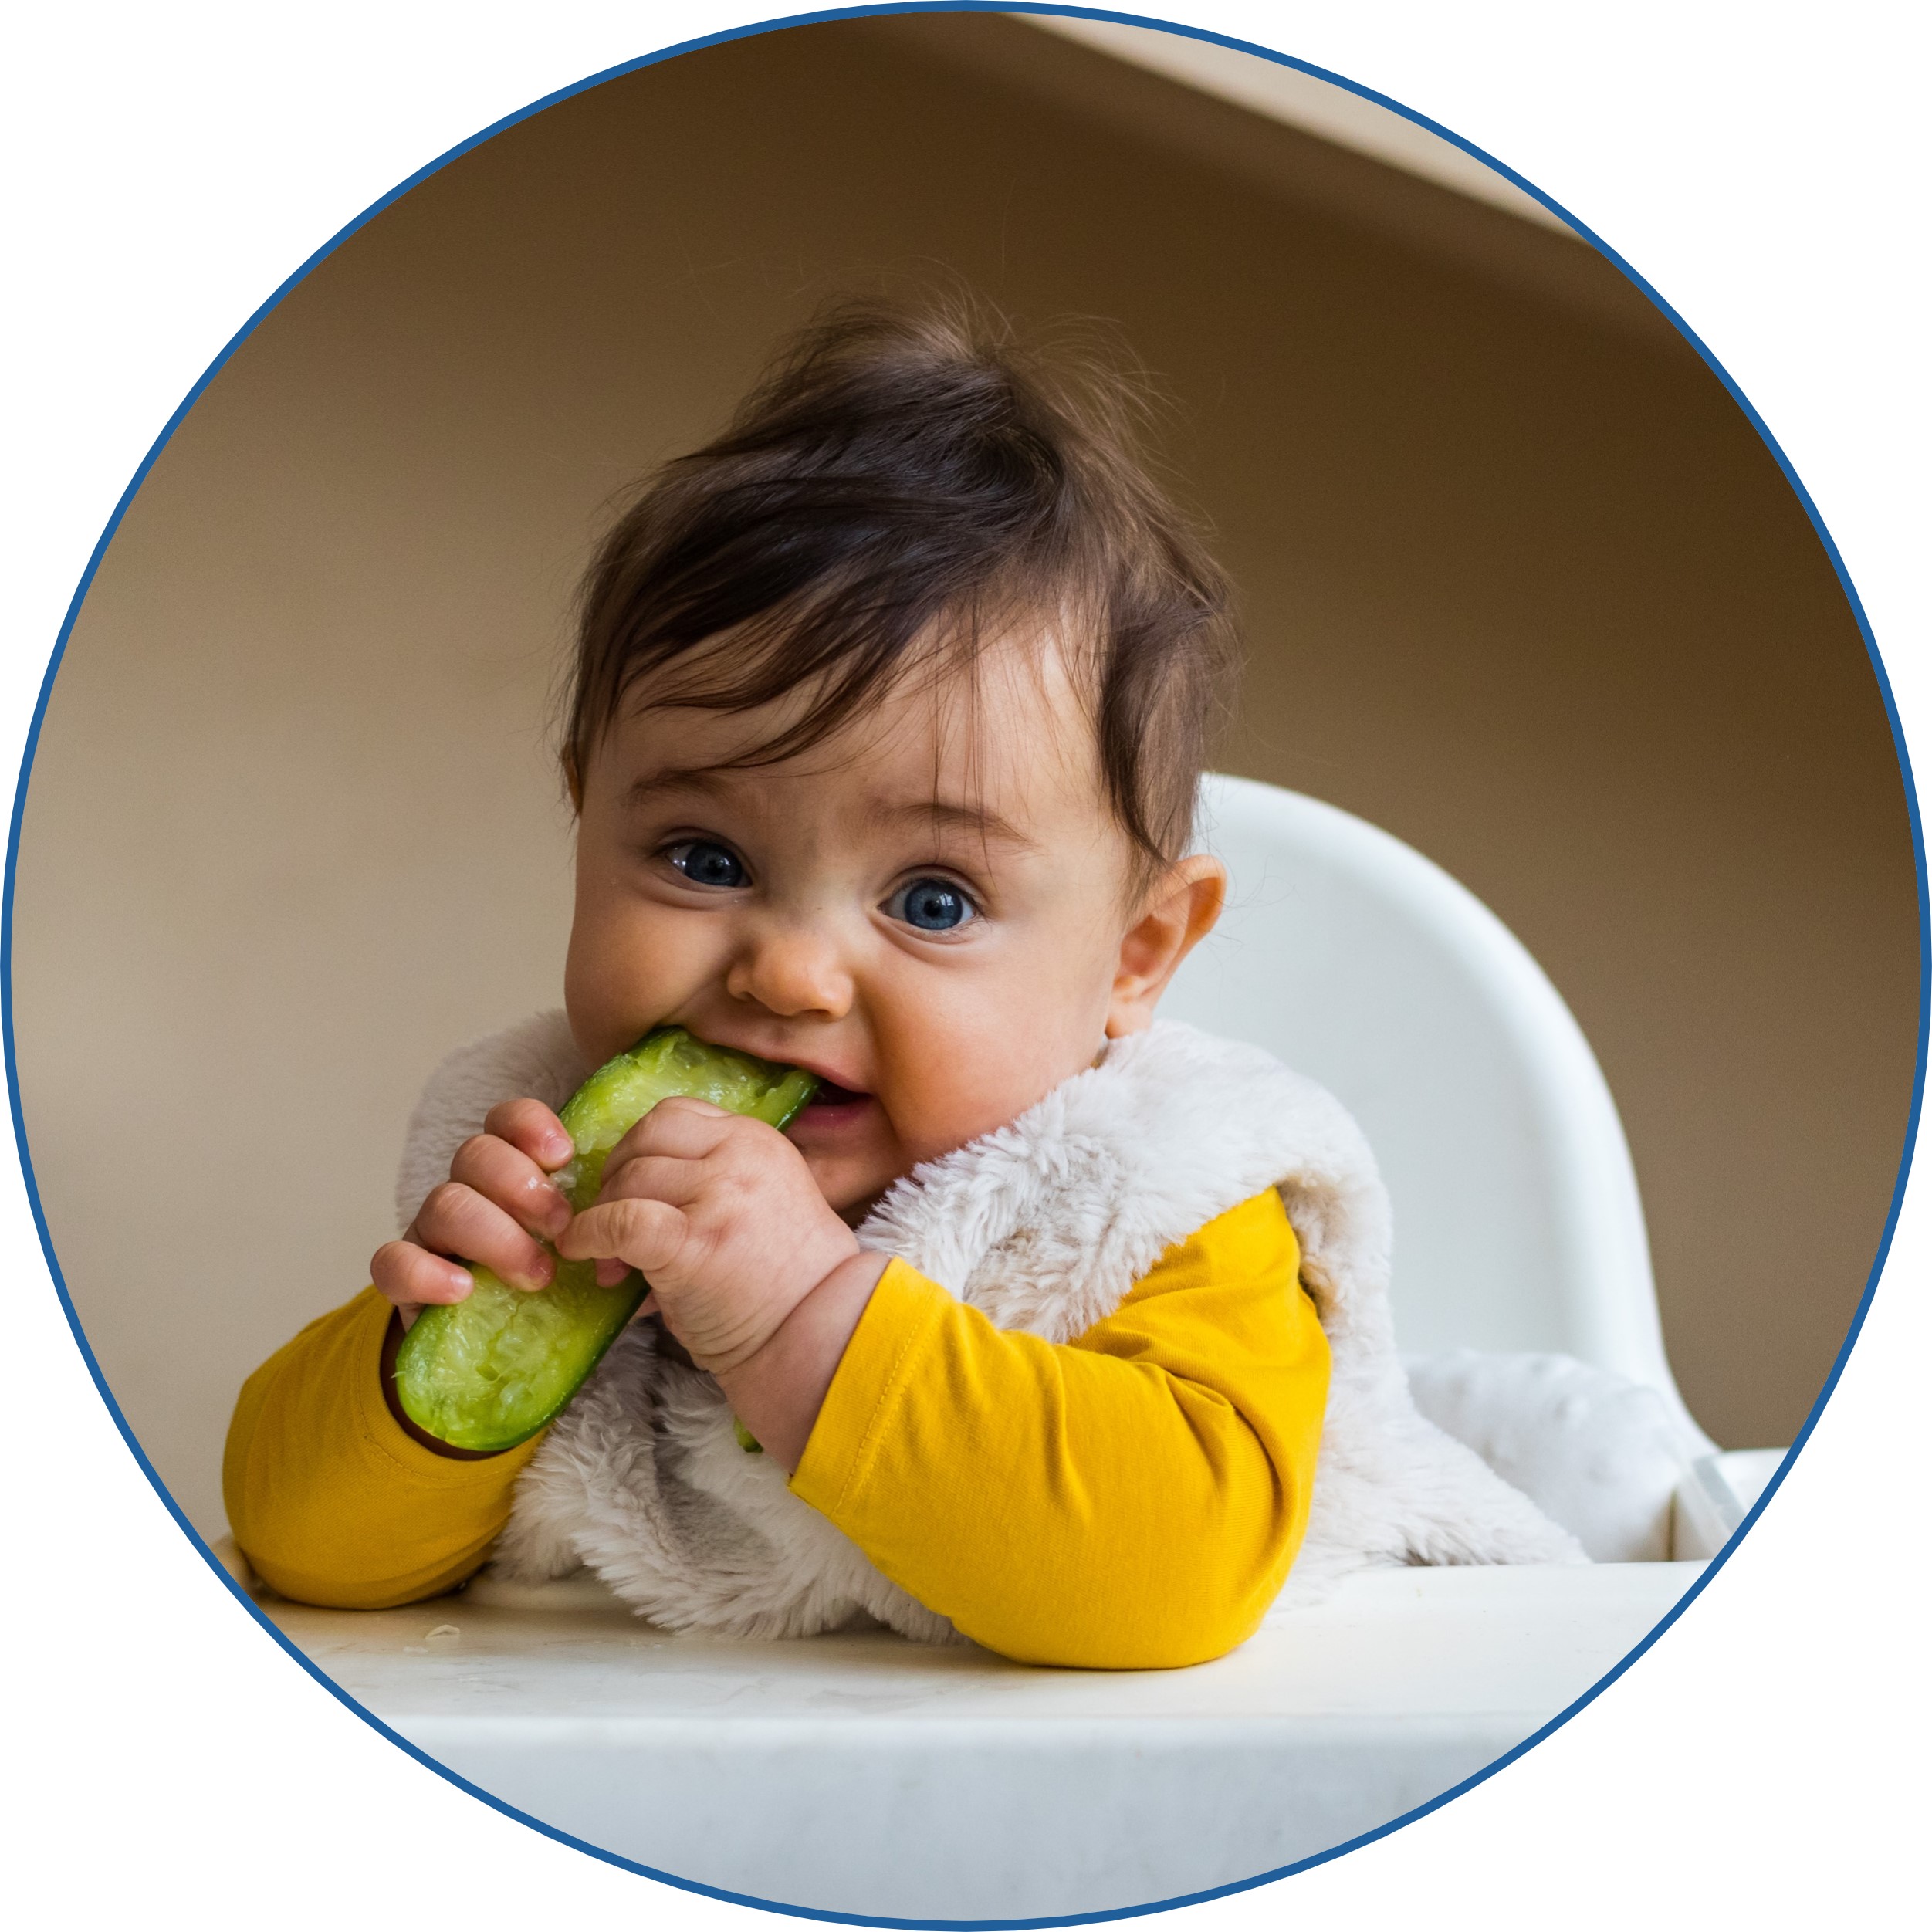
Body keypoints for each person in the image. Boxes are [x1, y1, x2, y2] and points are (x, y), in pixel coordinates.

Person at [225, 297, 1575, 1670]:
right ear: (586, 818)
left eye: (933, 900)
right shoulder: (555, 1152)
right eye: (703, 856)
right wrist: (432, 1358)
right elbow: (303, 1555)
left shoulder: (1158, 1193)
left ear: (1135, 957)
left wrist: (803, 1319)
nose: (792, 970)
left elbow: (1174, 1583)